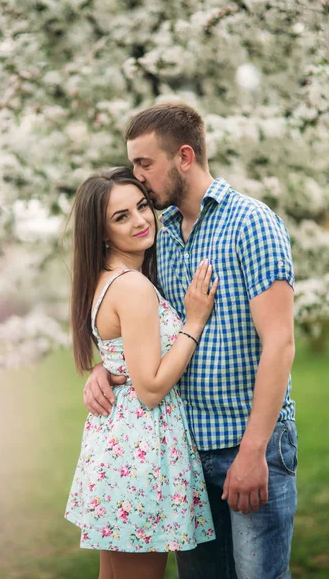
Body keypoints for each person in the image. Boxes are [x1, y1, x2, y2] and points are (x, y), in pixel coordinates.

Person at [84, 103, 297, 579]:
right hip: (183, 453)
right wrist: (108, 367)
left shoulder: (251, 222)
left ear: (183, 156)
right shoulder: (159, 236)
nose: (138, 179)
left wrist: (253, 451)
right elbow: (141, 326)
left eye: (144, 164)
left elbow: (280, 344)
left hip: (246, 444)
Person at [65, 167, 218, 579]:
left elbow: (124, 358)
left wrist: (103, 368)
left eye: (142, 206)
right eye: (121, 217)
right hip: (138, 457)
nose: (140, 220)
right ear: (101, 233)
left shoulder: (104, 279)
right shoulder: (132, 286)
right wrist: (195, 321)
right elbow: (150, 387)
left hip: (117, 447)